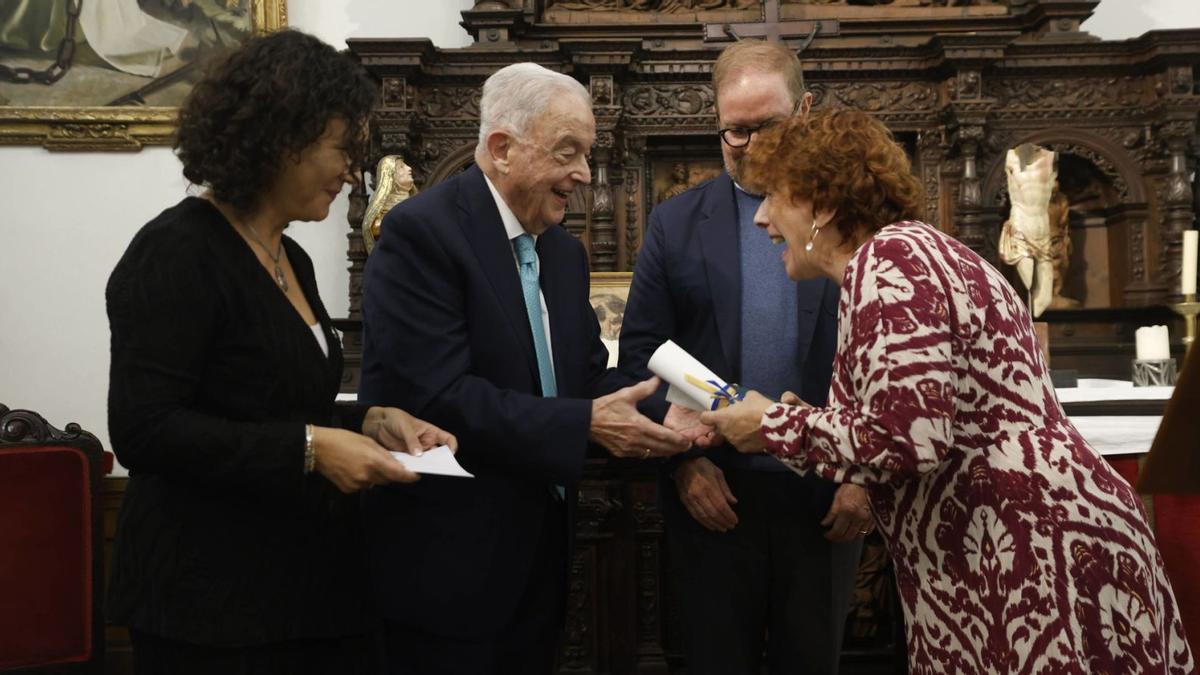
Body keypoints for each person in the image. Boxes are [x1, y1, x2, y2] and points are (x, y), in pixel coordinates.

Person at [702, 108, 1196, 674]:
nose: (762, 218)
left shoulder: (888, 261)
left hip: (1031, 551)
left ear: (824, 204)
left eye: (775, 197)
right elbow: (918, 417)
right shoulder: (912, 253)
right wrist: (811, 423)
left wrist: (771, 427)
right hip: (1011, 542)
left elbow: (908, 440)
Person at [105, 30, 456, 675]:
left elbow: (285, 401)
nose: (351, 172)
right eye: (340, 149)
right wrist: (314, 449)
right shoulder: (176, 252)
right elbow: (144, 429)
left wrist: (371, 424)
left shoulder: (288, 255)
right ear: (280, 138)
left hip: (306, 589)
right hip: (210, 602)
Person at [358, 62, 691, 675]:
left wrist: (669, 410)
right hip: (448, 567)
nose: (584, 176)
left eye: (587, 155)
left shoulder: (564, 254)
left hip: (541, 557)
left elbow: (589, 375)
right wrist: (585, 423)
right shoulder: (421, 233)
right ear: (502, 148)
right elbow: (438, 395)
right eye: (568, 153)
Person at [618, 39, 867, 675]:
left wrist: (866, 479)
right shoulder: (677, 223)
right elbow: (644, 352)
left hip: (827, 496)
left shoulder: (850, 217)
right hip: (713, 490)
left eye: (769, 127)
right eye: (736, 131)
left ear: (805, 110)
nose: (752, 145)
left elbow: (882, 360)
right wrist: (688, 463)